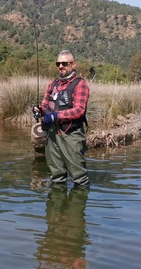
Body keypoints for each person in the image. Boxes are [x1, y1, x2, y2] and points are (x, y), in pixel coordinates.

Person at [33, 50, 90, 188]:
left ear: (73, 64)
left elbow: (79, 110)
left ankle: (76, 207)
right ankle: (55, 208)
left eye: (64, 63)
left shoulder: (80, 84)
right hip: (52, 135)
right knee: (56, 178)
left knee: (79, 179)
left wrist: (56, 115)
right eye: (58, 63)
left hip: (71, 135)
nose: (61, 66)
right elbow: (46, 105)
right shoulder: (52, 84)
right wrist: (39, 110)